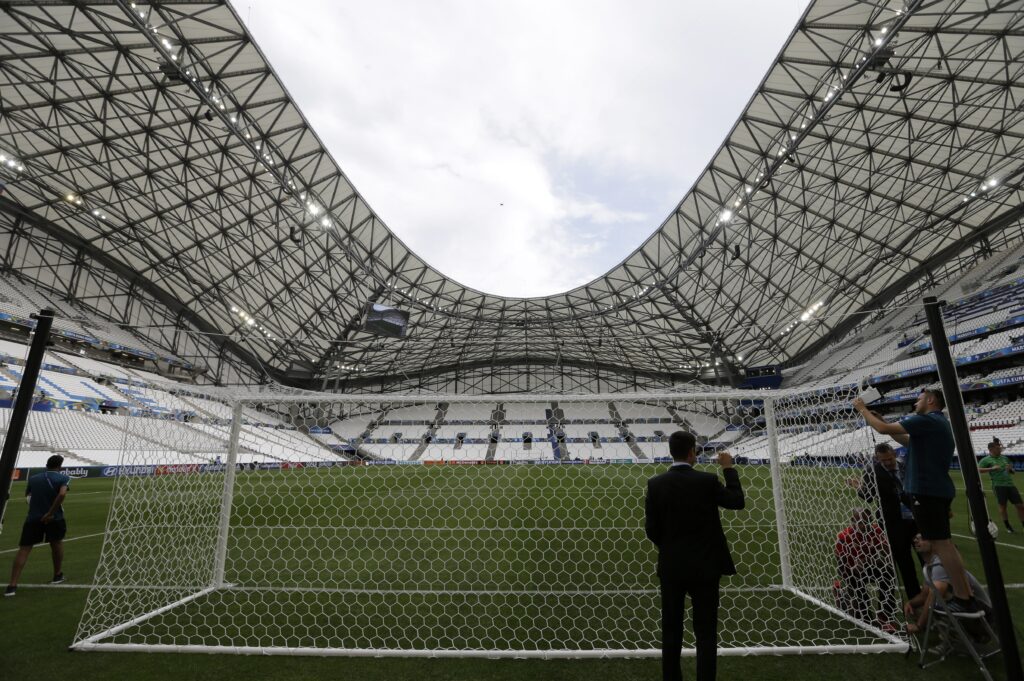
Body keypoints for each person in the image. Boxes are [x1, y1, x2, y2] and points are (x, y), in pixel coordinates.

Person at [853, 388, 981, 614]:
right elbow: (905, 440)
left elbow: (882, 429)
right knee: (944, 544)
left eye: (919, 399)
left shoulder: (927, 420)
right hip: (936, 490)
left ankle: (963, 596)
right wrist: (883, 420)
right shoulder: (937, 423)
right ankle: (964, 593)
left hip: (926, 491)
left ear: (930, 400)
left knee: (941, 545)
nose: (915, 402)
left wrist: (862, 409)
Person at [645, 431, 745, 681]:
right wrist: (728, 468)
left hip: (672, 567)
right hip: (706, 566)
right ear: (692, 452)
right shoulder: (707, 481)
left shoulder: (655, 484)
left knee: (671, 629)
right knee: (706, 630)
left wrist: (670, 547)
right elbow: (736, 501)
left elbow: (651, 529)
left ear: (672, 452)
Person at [846, 443, 920, 599]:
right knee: (904, 562)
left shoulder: (906, 465)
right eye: (883, 460)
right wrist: (859, 487)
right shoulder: (872, 471)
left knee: (927, 557)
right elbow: (868, 497)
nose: (887, 463)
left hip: (916, 519)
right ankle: (915, 598)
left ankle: (936, 596)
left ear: (894, 454)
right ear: (877, 458)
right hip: (892, 523)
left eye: (889, 459)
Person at [903, 533, 993, 641]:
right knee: (918, 607)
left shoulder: (940, 562)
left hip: (982, 613)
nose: (916, 541)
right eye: (915, 538)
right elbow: (924, 595)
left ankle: (956, 637)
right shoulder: (929, 565)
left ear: (933, 543)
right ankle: (952, 634)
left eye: (922, 538)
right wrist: (910, 603)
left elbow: (935, 594)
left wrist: (918, 626)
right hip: (972, 610)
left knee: (937, 599)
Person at [5, 455, 70, 597]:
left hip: (33, 518)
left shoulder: (33, 478)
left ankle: (12, 586)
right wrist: (50, 513)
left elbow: (28, 496)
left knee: (24, 549)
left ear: (46, 465)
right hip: (54, 518)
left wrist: (36, 508)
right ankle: (57, 575)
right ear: (60, 466)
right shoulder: (63, 478)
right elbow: (62, 494)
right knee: (56, 544)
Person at [834, 508, 899, 631]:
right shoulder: (844, 536)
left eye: (868, 521)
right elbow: (840, 565)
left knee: (888, 572)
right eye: (861, 522)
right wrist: (852, 569)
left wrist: (872, 560)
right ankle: (842, 595)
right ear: (853, 521)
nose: (865, 525)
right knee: (862, 618)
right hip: (850, 571)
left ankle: (884, 617)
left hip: (869, 567)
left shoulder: (876, 531)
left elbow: (889, 556)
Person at [977, 439, 1023, 534]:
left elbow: (1012, 471)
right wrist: (991, 468)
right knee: (1003, 506)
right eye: (998, 448)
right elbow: (978, 469)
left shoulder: (1005, 458)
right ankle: (1008, 526)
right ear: (991, 449)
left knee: (1020, 505)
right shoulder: (986, 460)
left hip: (1010, 484)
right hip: (998, 486)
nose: (1000, 450)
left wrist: (1011, 470)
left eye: (1000, 448)